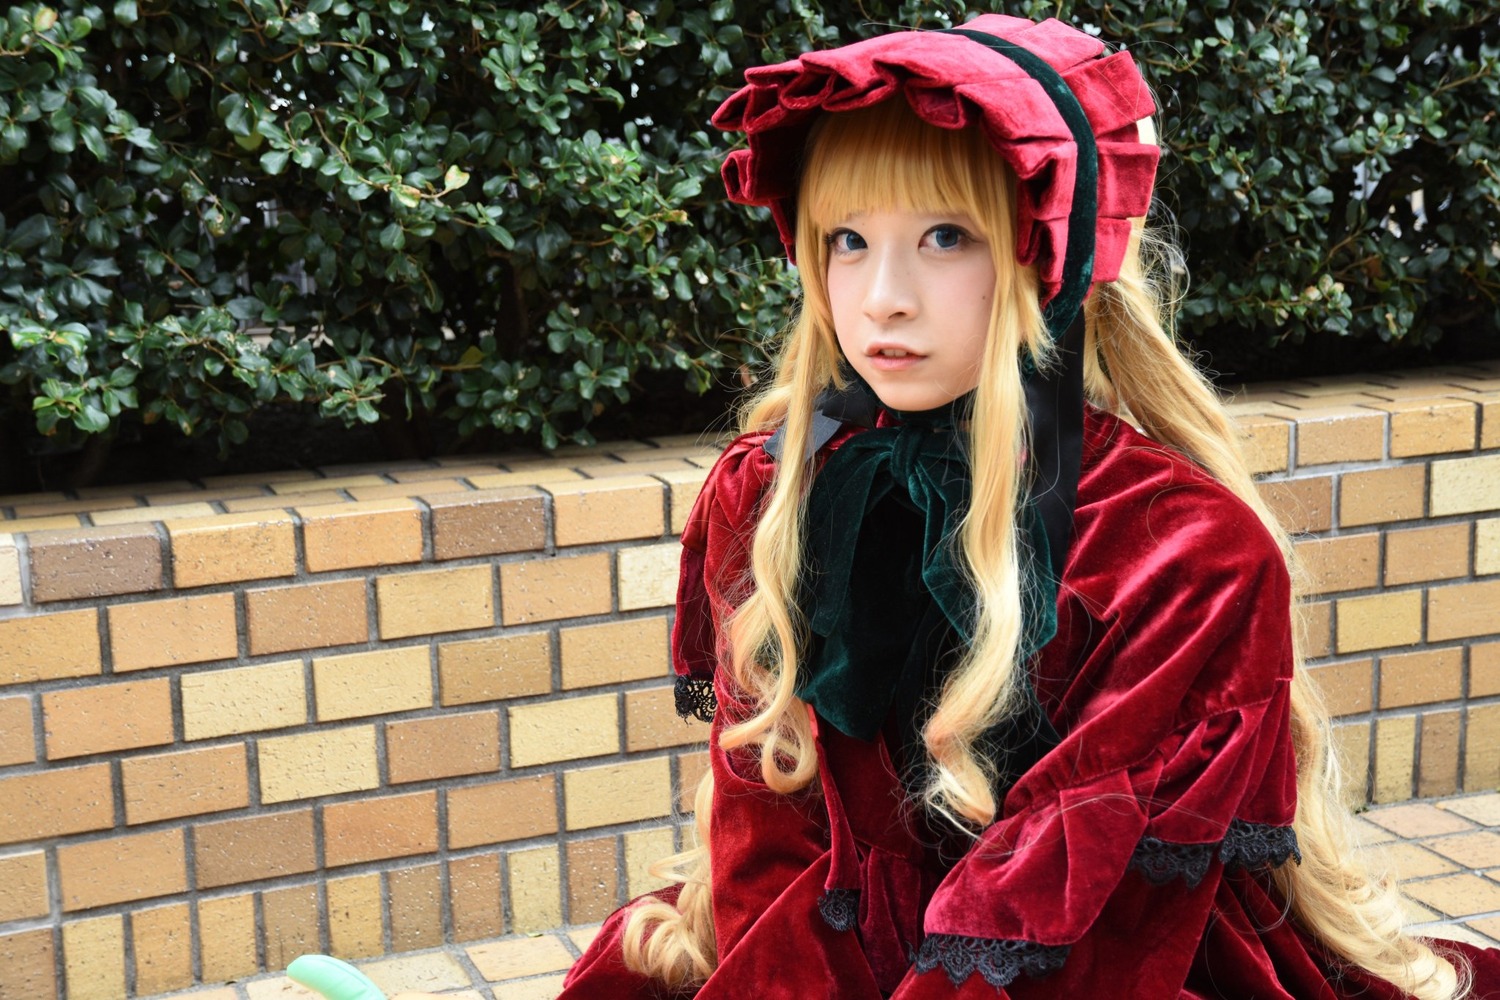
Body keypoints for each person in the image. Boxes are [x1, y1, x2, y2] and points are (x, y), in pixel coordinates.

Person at [555, 13, 1500, 1000]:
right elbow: (765, 838)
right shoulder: (774, 487)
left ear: (1044, 257)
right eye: (846, 239)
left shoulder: (1181, 550)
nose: (881, 296)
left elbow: (1072, 915)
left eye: (945, 236)